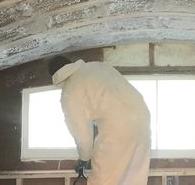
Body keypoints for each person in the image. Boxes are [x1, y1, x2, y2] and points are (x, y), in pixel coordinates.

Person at [48, 56, 151, 185]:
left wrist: (84, 158)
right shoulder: (98, 65)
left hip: (118, 128)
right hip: (143, 120)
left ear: (57, 77)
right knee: (133, 178)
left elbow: (82, 134)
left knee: (103, 179)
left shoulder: (70, 89)